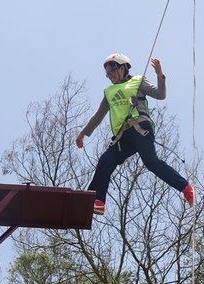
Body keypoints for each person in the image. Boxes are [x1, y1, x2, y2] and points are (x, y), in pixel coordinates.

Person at [76, 53, 195, 215]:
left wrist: (160, 75)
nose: (111, 76)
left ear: (123, 67)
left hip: (140, 128)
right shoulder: (109, 92)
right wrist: (83, 134)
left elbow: (160, 95)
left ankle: (185, 187)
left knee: (151, 162)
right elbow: (98, 115)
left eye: (113, 71)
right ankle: (97, 201)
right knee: (105, 161)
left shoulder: (137, 81)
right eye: (108, 74)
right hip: (123, 136)